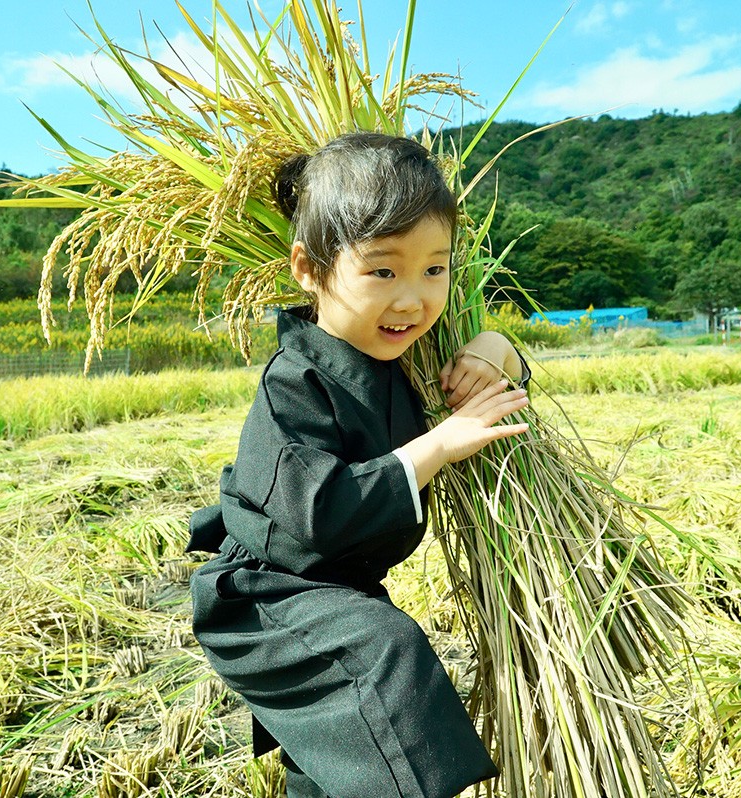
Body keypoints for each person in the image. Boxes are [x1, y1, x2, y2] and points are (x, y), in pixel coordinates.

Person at [188, 132, 531, 797]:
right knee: (387, 657)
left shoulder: (409, 361)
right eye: (383, 271)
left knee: (328, 767)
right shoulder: (295, 379)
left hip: (335, 593)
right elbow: (320, 511)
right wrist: (438, 444)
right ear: (309, 270)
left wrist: (497, 348)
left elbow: (498, 398)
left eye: (435, 269)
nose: (412, 299)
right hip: (269, 599)